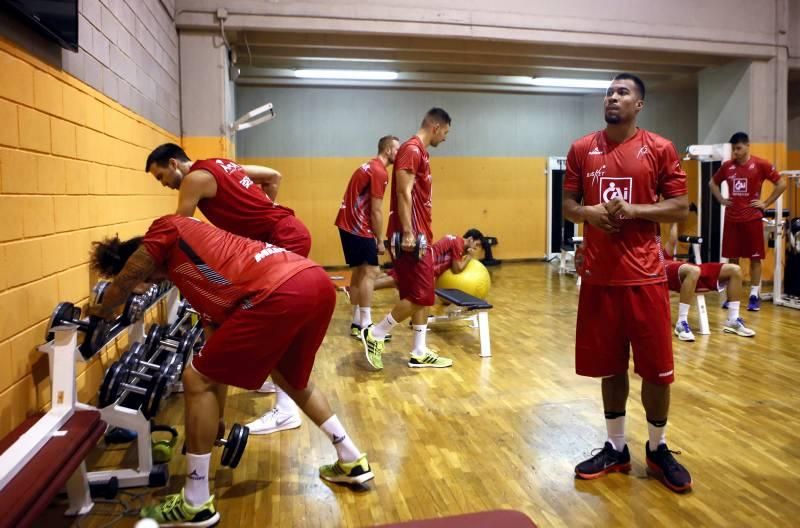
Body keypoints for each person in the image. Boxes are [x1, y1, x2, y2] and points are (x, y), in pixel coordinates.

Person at [89, 215, 373, 526]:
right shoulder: (194, 280)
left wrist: (102, 311)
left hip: (279, 289)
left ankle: (195, 501)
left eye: (146, 281)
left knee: (193, 379)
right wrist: (217, 416)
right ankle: (350, 457)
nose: (149, 287)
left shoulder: (165, 229)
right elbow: (215, 354)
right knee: (291, 379)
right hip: (313, 281)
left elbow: (129, 275)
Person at [563, 73, 693, 493]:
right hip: (600, 279)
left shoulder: (659, 148)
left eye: (623, 93)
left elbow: (679, 207)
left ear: (639, 105)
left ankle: (657, 448)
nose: (613, 97)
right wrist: (589, 214)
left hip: (645, 277)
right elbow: (567, 204)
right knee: (610, 367)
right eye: (609, 92)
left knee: (657, 370)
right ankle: (616, 448)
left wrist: (633, 210)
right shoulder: (583, 148)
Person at [145, 144, 308, 436]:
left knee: (273, 326)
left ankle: (286, 410)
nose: (166, 185)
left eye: (161, 177)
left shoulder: (194, 178)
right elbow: (274, 176)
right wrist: (259, 218)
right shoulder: (221, 164)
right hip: (286, 230)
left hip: (282, 238)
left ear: (173, 163)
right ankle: (272, 380)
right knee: (269, 323)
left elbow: (178, 229)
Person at [360, 108, 453, 370]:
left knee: (418, 292)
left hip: (420, 232)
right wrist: (410, 232)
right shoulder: (412, 150)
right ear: (435, 126)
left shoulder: (420, 152)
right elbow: (403, 192)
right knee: (424, 296)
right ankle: (376, 333)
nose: (445, 138)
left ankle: (419, 350)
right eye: (445, 132)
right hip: (411, 236)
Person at [709, 132, 787, 311]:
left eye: (738, 148)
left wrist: (766, 203)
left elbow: (781, 184)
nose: (735, 152)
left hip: (752, 219)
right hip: (732, 220)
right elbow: (712, 184)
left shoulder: (760, 164)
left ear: (747, 145)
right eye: (733, 149)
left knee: (755, 258)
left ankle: (754, 295)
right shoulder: (727, 166)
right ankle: (732, 297)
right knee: (732, 260)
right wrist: (721, 199)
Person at [335, 135, 400, 338]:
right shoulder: (380, 172)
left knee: (360, 273)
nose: (400, 154)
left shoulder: (367, 166)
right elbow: (376, 211)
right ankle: (366, 325)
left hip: (346, 224)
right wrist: (380, 240)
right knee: (371, 272)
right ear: (388, 150)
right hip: (357, 227)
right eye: (397, 149)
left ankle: (357, 322)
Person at [663, 224, 755, 341]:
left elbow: (672, 239)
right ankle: (681, 322)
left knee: (735, 270)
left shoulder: (663, 255)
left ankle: (733, 319)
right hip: (678, 275)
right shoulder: (650, 264)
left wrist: (674, 217)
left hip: (693, 271)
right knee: (693, 270)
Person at [374, 230, 484, 291]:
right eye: (476, 244)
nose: (475, 248)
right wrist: (469, 256)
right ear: (470, 239)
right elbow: (457, 269)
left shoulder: (455, 239)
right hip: (424, 265)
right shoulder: (459, 244)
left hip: (421, 259)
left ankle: (363, 286)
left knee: (393, 275)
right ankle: (362, 292)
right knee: (395, 280)